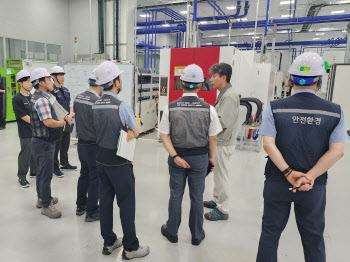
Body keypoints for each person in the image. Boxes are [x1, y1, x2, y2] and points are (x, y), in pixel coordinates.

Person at [256, 52, 348, 262]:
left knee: (270, 233)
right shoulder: (335, 112)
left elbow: (268, 144)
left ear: (290, 81)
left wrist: (288, 173)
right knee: (313, 236)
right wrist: (310, 177)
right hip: (313, 186)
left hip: (278, 181)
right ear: (320, 81)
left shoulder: (275, 108)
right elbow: (337, 150)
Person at [159, 64, 222, 245]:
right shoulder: (209, 109)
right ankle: (196, 234)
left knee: (176, 195)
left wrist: (175, 156)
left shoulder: (170, 107)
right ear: (201, 84)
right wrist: (210, 158)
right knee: (197, 196)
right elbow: (213, 139)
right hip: (199, 159)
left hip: (177, 158)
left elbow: (164, 135)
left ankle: (172, 232)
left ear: (181, 83)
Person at [93, 61, 150, 258]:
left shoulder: (95, 104)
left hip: (100, 159)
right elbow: (135, 131)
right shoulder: (122, 105)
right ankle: (131, 247)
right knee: (126, 204)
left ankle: (109, 242)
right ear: (116, 82)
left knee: (105, 202)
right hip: (119, 162)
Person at [203, 63, 240, 221]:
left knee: (221, 175)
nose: (211, 80)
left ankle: (223, 209)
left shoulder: (229, 96)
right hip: (221, 141)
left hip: (223, 143)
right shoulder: (224, 94)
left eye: (214, 76)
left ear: (223, 77)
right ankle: (217, 200)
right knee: (217, 175)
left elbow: (221, 122)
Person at [30, 68, 66, 219]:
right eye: (49, 79)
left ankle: (42, 198)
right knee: (46, 174)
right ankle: (46, 205)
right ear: (41, 83)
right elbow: (49, 122)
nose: (52, 81)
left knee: (41, 172)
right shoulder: (42, 100)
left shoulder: (37, 96)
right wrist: (61, 122)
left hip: (39, 141)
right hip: (44, 143)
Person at [74, 69, 102, 222]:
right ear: (100, 85)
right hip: (93, 145)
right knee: (95, 177)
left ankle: (81, 205)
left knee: (84, 174)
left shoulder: (78, 98)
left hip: (81, 144)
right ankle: (92, 211)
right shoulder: (97, 101)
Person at [12, 70, 37, 188]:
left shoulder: (32, 96)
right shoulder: (17, 99)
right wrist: (39, 123)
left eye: (31, 81)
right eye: (27, 82)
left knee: (34, 152)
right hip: (25, 131)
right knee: (26, 153)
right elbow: (23, 116)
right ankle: (22, 176)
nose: (30, 84)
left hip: (35, 130)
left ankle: (34, 172)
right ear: (20, 83)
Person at [51, 66, 76, 178]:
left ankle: (64, 163)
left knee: (65, 144)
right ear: (54, 77)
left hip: (67, 121)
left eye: (63, 75)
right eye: (60, 75)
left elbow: (70, 103)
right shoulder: (51, 91)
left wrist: (70, 115)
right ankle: (55, 167)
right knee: (56, 145)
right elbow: (55, 107)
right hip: (57, 122)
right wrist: (66, 117)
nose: (62, 77)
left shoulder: (66, 90)